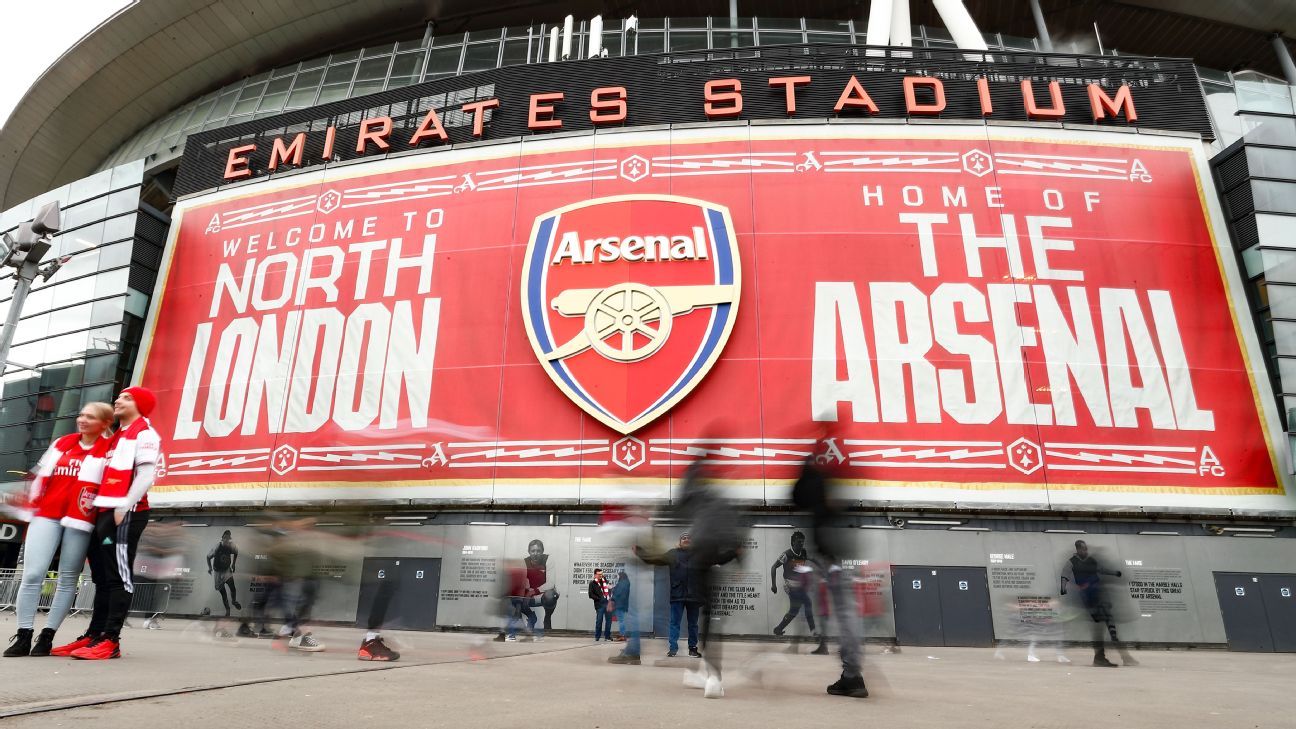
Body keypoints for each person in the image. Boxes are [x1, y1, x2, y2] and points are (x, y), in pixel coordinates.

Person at [53, 388, 163, 661]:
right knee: (101, 577)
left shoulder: (145, 434)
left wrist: (125, 506)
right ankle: (95, 635)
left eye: (126, 398)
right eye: (119, 396)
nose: (118, 400)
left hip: (126, 513)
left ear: (140, 405)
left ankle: (111, 640)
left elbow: (147, 474)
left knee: (118, 577)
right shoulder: (116, 437)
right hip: (103, 511)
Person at [4, 403, 114, 658]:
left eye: (90, 417)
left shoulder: (109, 450)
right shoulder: (63, 443)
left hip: (81, 519)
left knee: (67, 579)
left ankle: (47, 636)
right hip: (47, 514)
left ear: (105, 423)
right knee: (32, 575)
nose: (82, 419)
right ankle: (23, 635)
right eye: (81, 414)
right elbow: (40, 475)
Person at [792, 434, 868, 699]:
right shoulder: (838, 472)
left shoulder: (817, 476)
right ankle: (852, 672)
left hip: (830, 550)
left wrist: (806, 468)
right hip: (840, 545)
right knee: (847, 611)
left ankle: (852, 675)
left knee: (845, 613)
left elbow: (797, 497)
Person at [1062, 540, 1135, 668]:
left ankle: (1119, 657)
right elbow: (1066, 576)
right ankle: (1106, 658)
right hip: (1092, 601)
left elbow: (1102, 570)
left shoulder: (1091, 561)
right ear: (1078, 549)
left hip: (1098, 598)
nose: (1085, 551)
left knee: (1109, 628)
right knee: (1104, 629)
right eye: (1083, 549)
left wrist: (1115, 573)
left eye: (1086, 549)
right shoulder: (1074, 563)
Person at [636, 534, 702, 658]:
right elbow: (656, 559)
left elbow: (712, 561)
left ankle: (692, 648)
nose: (686, 539)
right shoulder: (672, 554)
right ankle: (673, 648)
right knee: (674, 623)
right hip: (677, 595)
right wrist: (641, 552)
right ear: (680, 541)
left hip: (694, 596)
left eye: (689, 538)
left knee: (693, 624)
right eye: (683, 538)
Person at [770, 531, 817, 639]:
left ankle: (778, 629)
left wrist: (819, 565)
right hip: (790, 586)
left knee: (794, 610)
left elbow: (812, 559)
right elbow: (773, 567)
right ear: (793, 542)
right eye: (798, 542)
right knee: (807, 603)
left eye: (802, 542)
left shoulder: (803, 552)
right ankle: (813, 631)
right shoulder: (786, 555)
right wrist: (774, 585)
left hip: (799, 586)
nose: (801, 544)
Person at [523, 539, 560, 632]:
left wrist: (534, 591)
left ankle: (547, 618)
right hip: (530, 596)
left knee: (550, 595)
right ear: (529, 552)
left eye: (538, 551)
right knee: (513, 597)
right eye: (533, 551)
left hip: (543, 594)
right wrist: (527, 591)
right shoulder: (524, 562)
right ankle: (531, 617)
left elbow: (551, 583)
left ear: (542, 551)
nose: (535, 553)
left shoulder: (548, 559)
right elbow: (522, 582)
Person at [207, 530, 242, 618]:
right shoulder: (217, 547)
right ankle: (227, 609)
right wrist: (210, 568)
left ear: (229, 539)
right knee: (223, 593)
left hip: (227, 571)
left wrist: (233, 564)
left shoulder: (231, 546)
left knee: (233, 588)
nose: (226, 540)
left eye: (228, 538)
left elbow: (236, 552)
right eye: (224, 538)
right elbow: (208, 557)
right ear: (222, 538)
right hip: (218, 572)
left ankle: (234, 601)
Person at [588, 567, 612, 641]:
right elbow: (590, 594)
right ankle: (597, 636)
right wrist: (599, 598)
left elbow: (609, 589)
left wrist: (610, 595)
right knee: (599, 621)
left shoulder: (605, 581)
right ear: (595, 575)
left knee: (609, 621)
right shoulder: (592, 583)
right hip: (599, 605)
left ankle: (607, 636)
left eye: (601, 574)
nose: (601, 576)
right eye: (599, 574)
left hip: (607, 604)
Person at [611, 569, 631, 641]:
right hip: (623, 604)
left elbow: (618, 593)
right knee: (621, 620)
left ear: (621, 576)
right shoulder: (626, 582)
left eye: (618, 576)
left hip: (620, 604)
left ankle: (622, 635)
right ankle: (622, 634)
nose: (618, 577)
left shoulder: (622, 583)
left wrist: (613, 596)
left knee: (621, 620)